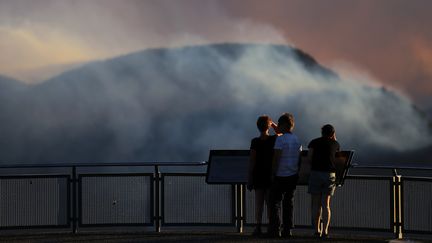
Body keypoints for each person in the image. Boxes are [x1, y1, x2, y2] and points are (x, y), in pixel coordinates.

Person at [267, 113, 302, 238]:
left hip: (280, 175)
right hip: (292, 175)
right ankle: (288, 230)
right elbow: (299, 158)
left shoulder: (280, 140)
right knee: (289, 203)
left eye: (280, 124)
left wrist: (273, 173)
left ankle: (275, 229)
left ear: (284, 125)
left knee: (275, 202)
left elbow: (276, 157)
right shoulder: (297, 139)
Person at [248, 115, 280, 236]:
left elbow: (252, 160)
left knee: (258, 203)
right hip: (270, 174)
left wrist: (250, 178)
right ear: (268, 126)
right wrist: (273, 125)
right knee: (270, 203)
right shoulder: (273, 139)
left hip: (258, 174)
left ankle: (257, 227)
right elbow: (282, 133)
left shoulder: (255, 142)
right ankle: (270, 226)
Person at [307, 124, 340, 239]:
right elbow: (337, 156)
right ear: (332, 134)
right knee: (326, 204)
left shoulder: (314, 142)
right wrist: (334, 139)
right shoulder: (335, 144)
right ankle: (325, 231)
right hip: (330, 175)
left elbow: (309, 157)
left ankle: (317, 231)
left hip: (316, 172)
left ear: (322, 132)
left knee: (316, 204)